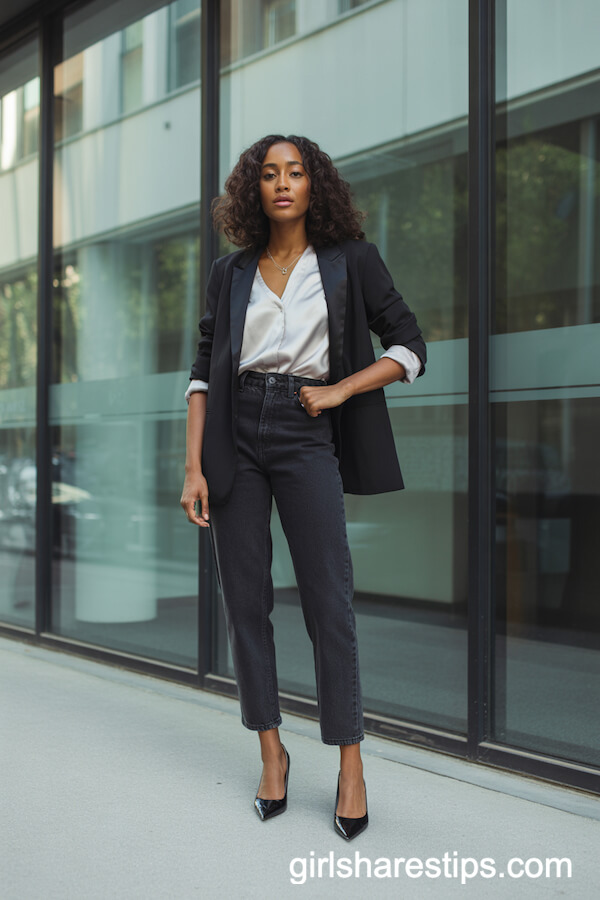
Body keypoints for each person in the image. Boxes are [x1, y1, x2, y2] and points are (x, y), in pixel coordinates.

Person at [180, 134, 426, 841]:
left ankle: (350, 766)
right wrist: (193, 466)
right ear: (253, 190)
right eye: (269, 173)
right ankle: (271, 753)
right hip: (233, 433)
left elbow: (409, 346)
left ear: (314, 184)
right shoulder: (230, 273)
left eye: (294, 171)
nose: (282, 183)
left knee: (327, 601)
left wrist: (341, 389)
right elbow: (202, 372)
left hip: (306, 427)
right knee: (245, 602)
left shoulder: (351, 261)